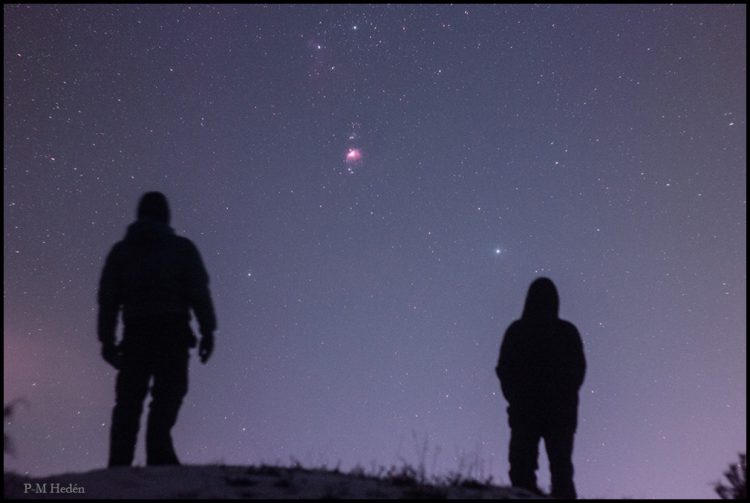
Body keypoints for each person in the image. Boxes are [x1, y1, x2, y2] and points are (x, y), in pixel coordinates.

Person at [97, 191, 217, 467]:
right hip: (172, 333)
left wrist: (106, 339)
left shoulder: (121, 252)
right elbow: (199, 291)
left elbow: (108, 299)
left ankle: (119, 464)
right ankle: (159, 451)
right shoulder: (182, 249)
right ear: (166, 215)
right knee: (168, 394)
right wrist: (208, 331)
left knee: (128, 401)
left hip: (135, 334)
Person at [495, 277, 586, 498]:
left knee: (558, 470)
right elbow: (505, 369)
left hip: (553, 412)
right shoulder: (520, 331)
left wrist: (558, 395)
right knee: (524, 468)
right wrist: (517, 398)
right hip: (533, 411)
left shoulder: (563, 332)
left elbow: (577, 370)